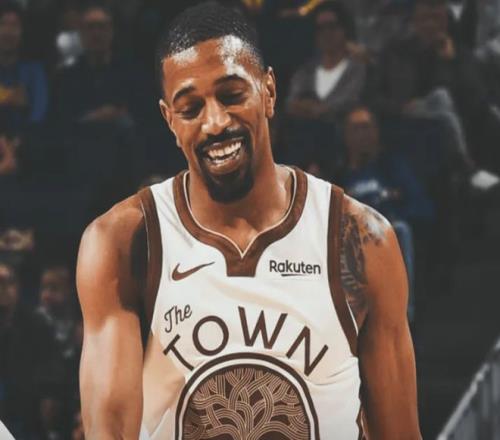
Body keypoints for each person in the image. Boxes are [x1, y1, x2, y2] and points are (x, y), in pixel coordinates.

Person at [76, 2, 421, 439]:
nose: (215, 122)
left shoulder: (359, 239)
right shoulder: (124, 241)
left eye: (232, 95)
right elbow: (108, 432)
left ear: (269, 91)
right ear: (169, 120)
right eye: (191, 108)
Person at [0, 1, 48, 133]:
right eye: (3, 24)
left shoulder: (34, 71)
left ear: (22, 32)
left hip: (26, 140)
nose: (8, 31)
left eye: (14, 25)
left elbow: (39, 115)